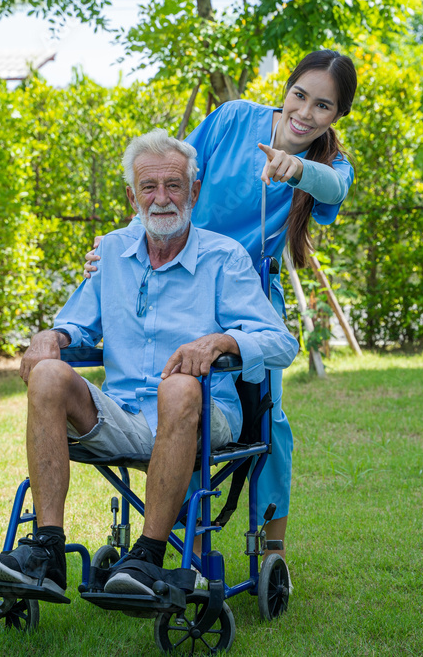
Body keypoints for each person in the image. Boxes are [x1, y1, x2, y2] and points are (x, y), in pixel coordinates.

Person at [0, 129, 298, 598]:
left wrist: (222, 341)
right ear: (132, 196)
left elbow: (281, 343)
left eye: (174, 185)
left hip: (203, 415)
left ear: (193, 191)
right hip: (124, 414)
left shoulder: (224, 258)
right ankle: (46, 551)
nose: (161, 198)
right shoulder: (111, 251)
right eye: (149, 187)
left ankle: (147, 557)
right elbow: (76, 323)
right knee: (48, 374)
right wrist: (52, 336)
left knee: (180, 384)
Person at [84, 50, 358, 560]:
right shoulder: (233, 120)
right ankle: (178, 545)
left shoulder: (329, 165)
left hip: (247, 298)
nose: (305, 113)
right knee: (178, 399)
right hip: (181, 282)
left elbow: (333, 187)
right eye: (299, 95)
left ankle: (271, 546)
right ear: (287, 89)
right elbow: (170, 178)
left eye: (323, 106)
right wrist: (122, 242)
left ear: (338, 114)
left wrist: (296, 167)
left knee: (268, 419)